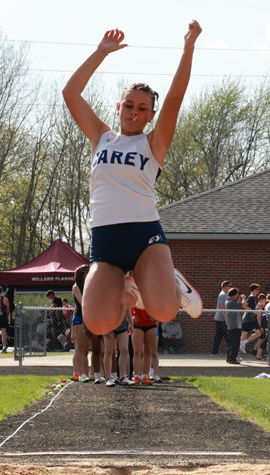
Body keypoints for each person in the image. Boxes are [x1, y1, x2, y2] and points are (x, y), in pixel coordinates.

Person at [62, 22, 203, 337]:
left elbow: (175, 98)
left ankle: (170, 278)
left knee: (165, 311)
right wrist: (100, 52)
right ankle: (132, 289)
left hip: (144, 237)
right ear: (118, 107)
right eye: (128, 105)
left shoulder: (152, 144)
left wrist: (188, 48)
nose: (134, 112)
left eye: (142, 108)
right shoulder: (101, 136)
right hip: (106, 241)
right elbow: (70, 93)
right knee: (97, 323)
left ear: (151, 114)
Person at [103, 309, 133, 386]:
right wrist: (105, 326)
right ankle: (108, 378)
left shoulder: (123, 296)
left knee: (125, 350)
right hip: (109, 325)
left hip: (122, 324)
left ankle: (123, 377)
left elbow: (127, 307)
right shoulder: (107, 296)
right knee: (109, 351)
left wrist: (131, 323)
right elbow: (102, 308)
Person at [131, 306, 158, 384]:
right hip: (137, 324)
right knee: (137, 351)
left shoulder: (152, 295)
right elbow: (128, 303)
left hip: (151, 324)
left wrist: (159, 317)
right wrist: (129, 319)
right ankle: (136, 376)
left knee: (148, 351)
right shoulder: (135, 294)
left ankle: (144, 377)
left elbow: (161, 304)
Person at [224, 288, 243, 364]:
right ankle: (232, 359)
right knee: (235, 344)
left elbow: (238, 305)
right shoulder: (231, 302)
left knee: (232, 343)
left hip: (232, 326)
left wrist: (240, 299)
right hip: (235, 326)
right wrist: (244, 299)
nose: (237, 296)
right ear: (234, 294)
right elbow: (244, 305)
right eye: (237, 294)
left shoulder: (229, 301)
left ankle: (229, 358)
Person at [212, 281, 231, 355]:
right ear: (226, 287)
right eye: (230, 286)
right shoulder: (223, 295)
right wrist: (226, 319)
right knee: (224, 335)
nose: (231, 287)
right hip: (221, 319)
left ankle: (215, 351)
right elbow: (223, 308)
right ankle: (232, 350)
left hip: (222, 319)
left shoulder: (226, 295)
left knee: (221, 335)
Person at [240, 284, 260, 353]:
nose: (258, 291)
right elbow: (244, 305)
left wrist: (255, 309)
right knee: (258, 333)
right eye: (258, 289)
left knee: (244, 335)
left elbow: (249, 307)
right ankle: (243, 343)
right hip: (249, 319)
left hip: (248, 318)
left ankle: (238, 348)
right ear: (254, 289)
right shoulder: (251, 297)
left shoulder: (253, 298)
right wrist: (251, 310)